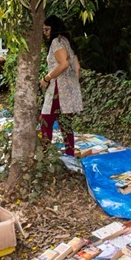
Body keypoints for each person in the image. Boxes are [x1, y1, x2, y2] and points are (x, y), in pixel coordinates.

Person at [39, 15, 83, 156]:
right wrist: (72, 86)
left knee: (46, 121)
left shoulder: (57, 43)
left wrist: (47, 78)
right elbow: (77, 67)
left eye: (46, 30)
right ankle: (70, 155)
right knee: (65, 124)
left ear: (54, 28)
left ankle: (45, 156)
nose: (45, 33)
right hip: (68, 89)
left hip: (58, 88)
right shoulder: (68, 42)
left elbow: (64, 64)